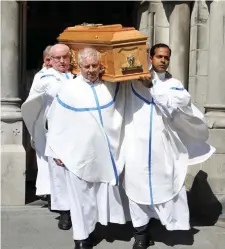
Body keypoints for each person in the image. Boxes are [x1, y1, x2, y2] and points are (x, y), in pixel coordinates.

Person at [123, 43, 215, 249]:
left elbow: (177, 105)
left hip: (163, 147)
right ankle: (140, 233)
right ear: (150, 58)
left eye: (166, 57)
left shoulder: (174, 84)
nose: (163, 61)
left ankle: (161, 225)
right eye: (159, 57)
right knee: (136, 187)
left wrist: (153, 87)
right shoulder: (133, 82)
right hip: (136, 145)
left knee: (165, 186)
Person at [45, 47, 127, 249]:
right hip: (77, 153)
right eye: (86, 66)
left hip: (103, 153)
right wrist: (57, 152)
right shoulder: (69, 89)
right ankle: (81, 236)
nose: (90, 69)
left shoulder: (111, 87)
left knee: (99, 193)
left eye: (94, 65)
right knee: (80, 196)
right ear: (79, 66)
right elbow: (56, 122)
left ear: (100, 66)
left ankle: (96, 226)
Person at [22, 44, 74, 230]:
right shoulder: (45, 77)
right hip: (55, 131)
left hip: (77, 132)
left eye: (65, 57)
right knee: (58, 173)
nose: (62, 61)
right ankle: (64, 213)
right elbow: (59, 92)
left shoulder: (74, 75)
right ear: (50, 60)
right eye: (57, 58)